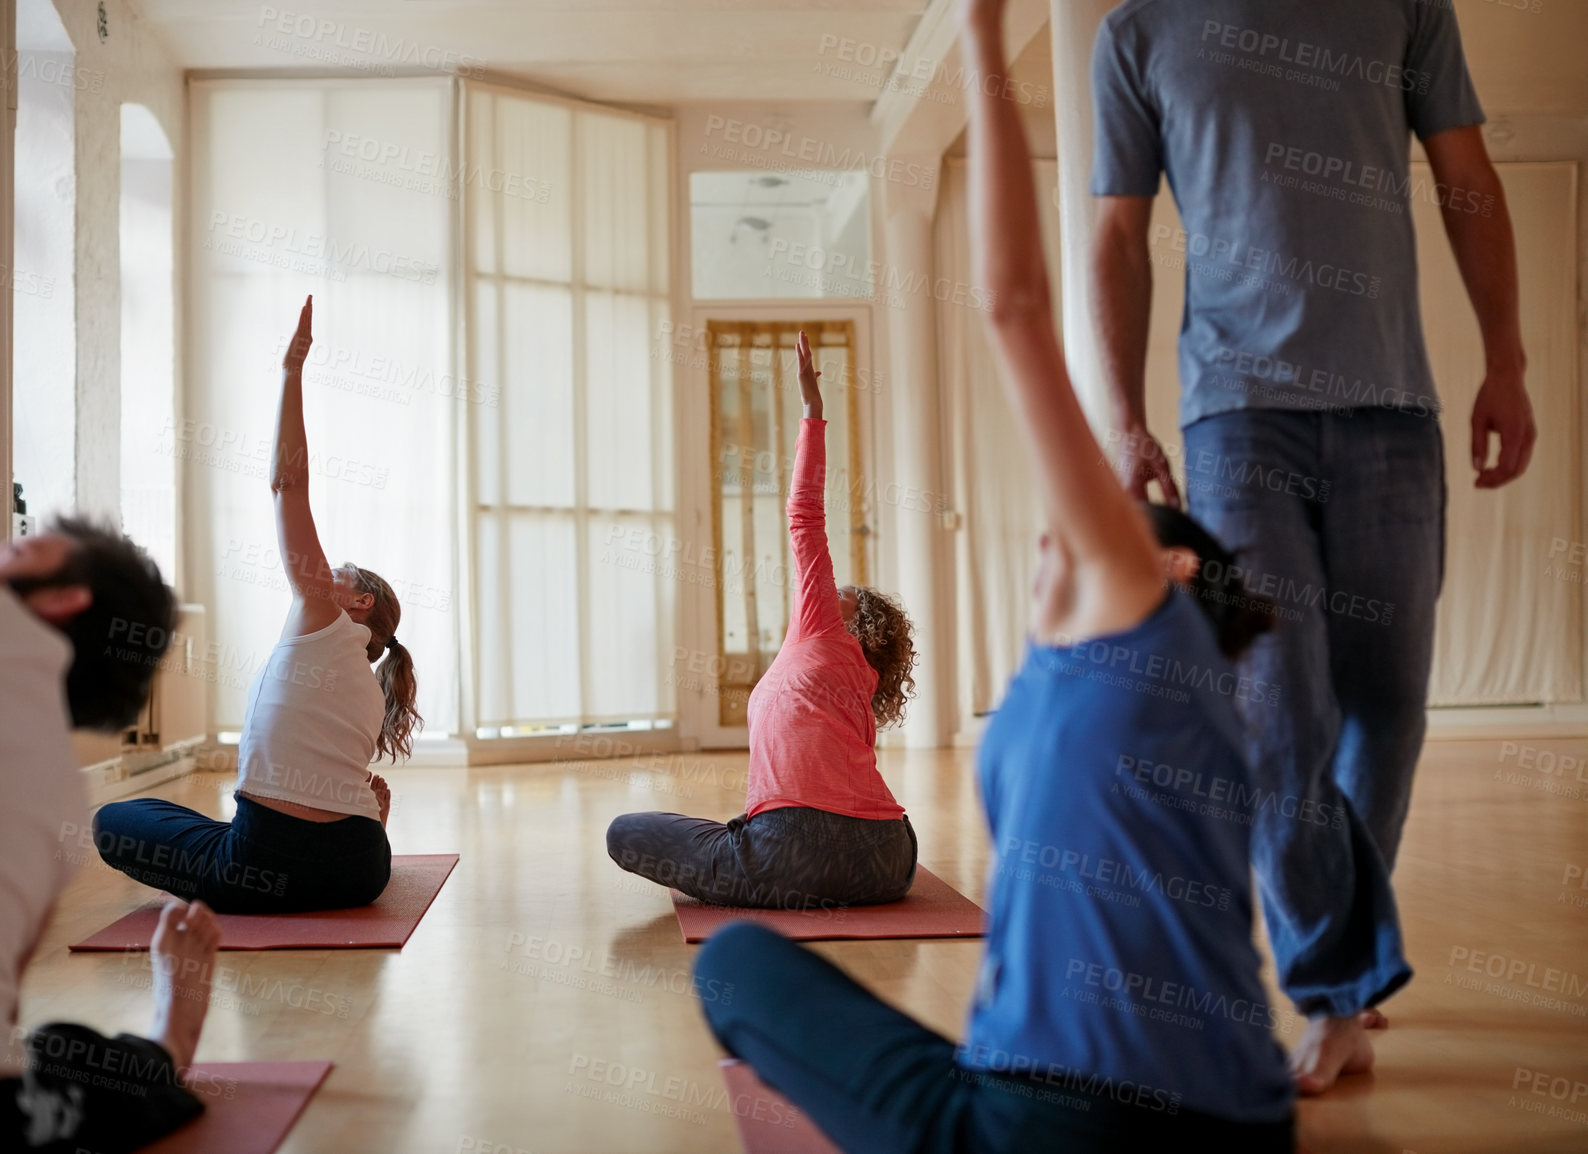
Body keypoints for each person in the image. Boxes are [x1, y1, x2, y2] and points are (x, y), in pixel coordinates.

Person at [690, 3, 1297, 1149]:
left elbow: (1016, 305)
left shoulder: (1152, 636)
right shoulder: (1146, 693)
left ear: (1165, 563)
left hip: (1051, 1122)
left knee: (734, 966)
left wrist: (976, 36)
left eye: (1095, 534)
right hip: (1237, 1119)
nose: (1050, 537)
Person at [1088, 0, 1535, 1089]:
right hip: (1237, 421)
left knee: (1388, 705)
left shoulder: (1405, 7)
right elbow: (1115, 230)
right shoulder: (1138, 32)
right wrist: (1122, 414)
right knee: (1275, 714)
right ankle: (1332, 982)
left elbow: (1464, 176)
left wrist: (1506, 359)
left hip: (1392, 408)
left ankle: (1342, 945)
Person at [0, 3, 219, 1147]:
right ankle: (167, 1037)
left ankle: (162, 1040)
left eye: (26, 542)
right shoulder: (66, 815)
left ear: (55, 598)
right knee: (78, 1063)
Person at [92, 298, 422, 914]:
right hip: (360, 869)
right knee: (192, 823)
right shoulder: (368, 684)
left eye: (338, 572)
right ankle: (366, 826)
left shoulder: (324, 617)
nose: (326, 572)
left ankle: (283, 845)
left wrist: (291, 372)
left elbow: (286, 485)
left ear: (357, 599)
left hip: (266, 864)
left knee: (116, 816)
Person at [607, 331, 919, 910]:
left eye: (838, 591)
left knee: (627, 830)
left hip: (793, 855)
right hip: (891, 862)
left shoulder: (822, 628)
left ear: (847, 616)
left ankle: (761, 861)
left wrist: (812, 413)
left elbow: (804, 515)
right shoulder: (860, 682)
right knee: (743, 831)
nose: (826, 590)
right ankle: (762, 849)